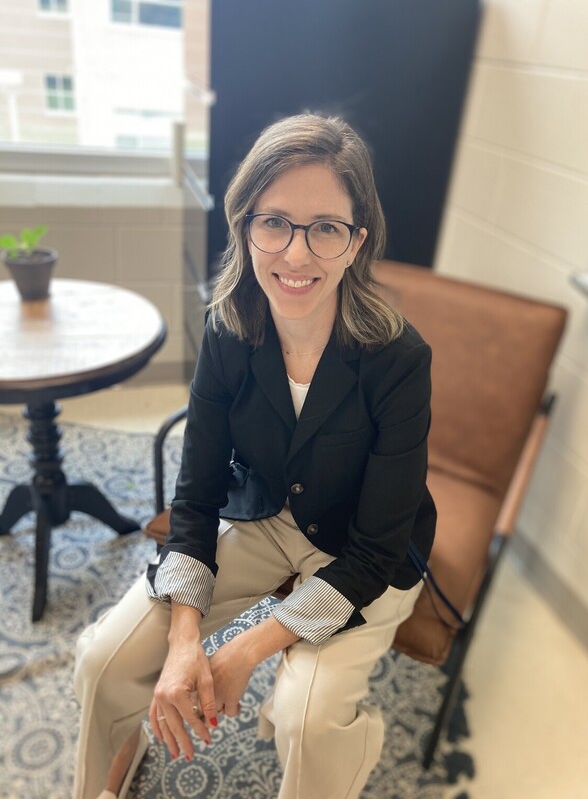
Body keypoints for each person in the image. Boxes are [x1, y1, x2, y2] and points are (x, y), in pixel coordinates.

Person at [73, 112, 436, 799]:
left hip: (365, 550)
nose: (296, 256)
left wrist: (238, 653)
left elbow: (376, 551)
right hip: (265, 517)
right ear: (246, 226)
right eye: (275, 222)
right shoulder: (227, 328)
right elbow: (199, 491)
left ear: (356, 242)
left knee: (310, 716)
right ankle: (102, 779)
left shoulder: (400, 360)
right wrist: (186, 640)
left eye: (325, 228)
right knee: (102, 659)